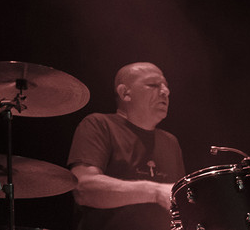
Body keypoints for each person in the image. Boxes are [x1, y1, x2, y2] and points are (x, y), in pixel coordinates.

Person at [67, 62, 185, 230]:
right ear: (125, 93)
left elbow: (180, 203)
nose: (165, 91)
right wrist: (155, 191)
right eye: (153, 84)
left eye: (166, 86)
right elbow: (84, 188)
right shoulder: (99, 124)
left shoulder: (170, 141)